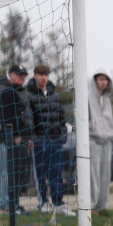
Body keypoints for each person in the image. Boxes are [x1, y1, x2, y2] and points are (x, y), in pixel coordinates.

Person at [27, 63, 73, 216]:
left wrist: (62, 135)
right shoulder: (29, 95)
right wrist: (32, 139)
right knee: (40, 174)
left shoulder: (54, 95)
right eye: (41, 74)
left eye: (46, 74)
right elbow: (28, 120)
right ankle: (43, 202)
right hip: (39, 140)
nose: (44, 77)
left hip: (55, 140)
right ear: (35, 76)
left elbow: (61, 117)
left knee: (56, 173)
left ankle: (59, 203)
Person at [0, 64, 33, 214]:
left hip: (13, 138)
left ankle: (10, 202)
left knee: (12, 172)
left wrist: (26, 136)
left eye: (24, 75)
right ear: (11, 74)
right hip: (5, 138)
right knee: (7, 171)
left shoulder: (14, 91)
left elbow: (22, 116)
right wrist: (13, 136)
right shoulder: (5, 91)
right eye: (19, 74)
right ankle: (6, 203)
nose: (22, 78)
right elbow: (5, 117)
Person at [88, 69, 113, 213]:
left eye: (106, 79)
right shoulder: (87, 97)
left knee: (105, 174)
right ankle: (91, 205)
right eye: (100, 79)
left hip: (106, 141)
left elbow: (109, 120)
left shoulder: (107, 100)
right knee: (93, 175)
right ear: (95, 80)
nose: (103, 82)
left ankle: (103, 205)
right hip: (93, 141)